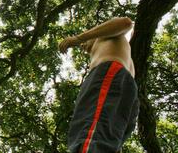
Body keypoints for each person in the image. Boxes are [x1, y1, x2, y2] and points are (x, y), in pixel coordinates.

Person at [59, 17, 139, 153]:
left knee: (89, 136)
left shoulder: (104, 36)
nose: (82, 45)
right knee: (107, 141)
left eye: (86, 41)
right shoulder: (124, 51)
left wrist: (78, 38)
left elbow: (126, 23)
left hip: (109, 76)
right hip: (128, 92)